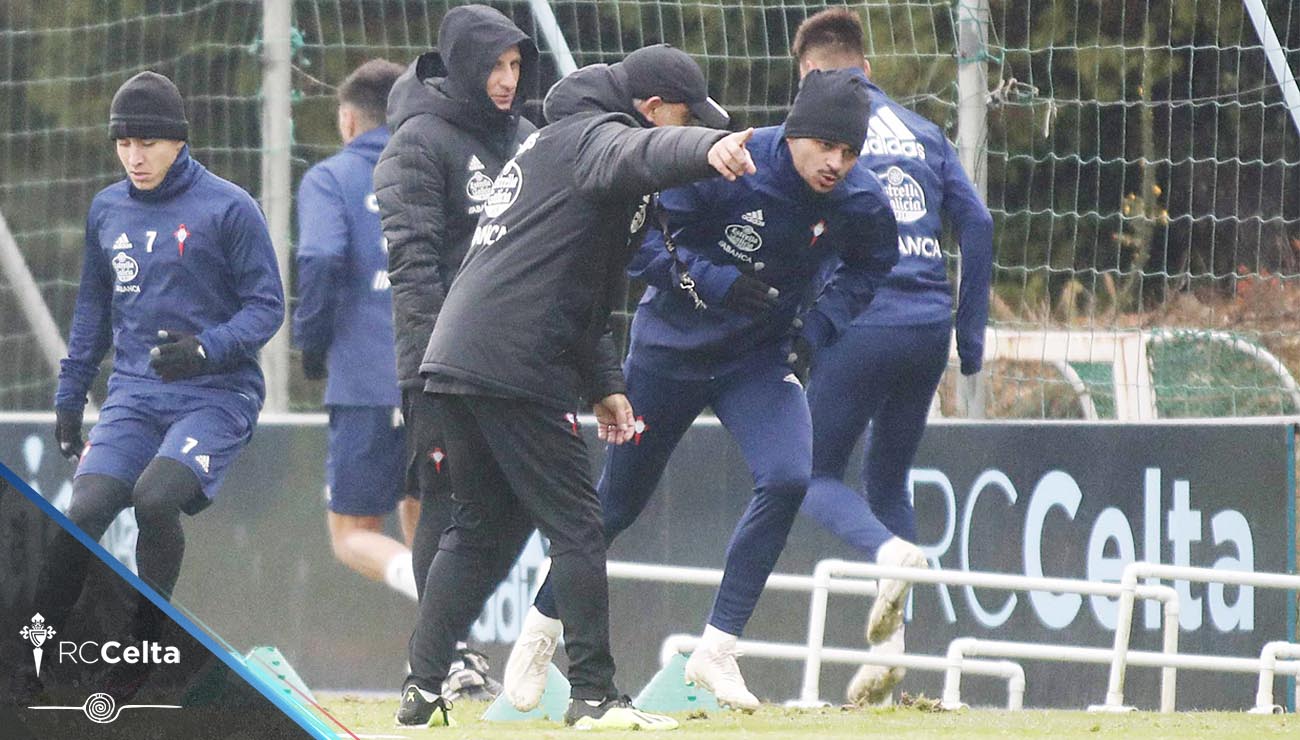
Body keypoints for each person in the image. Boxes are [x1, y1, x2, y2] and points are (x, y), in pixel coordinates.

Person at [508, 68, 899, 711]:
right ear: (795, 131)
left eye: (850, 152)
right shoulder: (729, 161)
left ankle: (716, 650)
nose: (836, 163)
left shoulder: (859, 200)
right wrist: (715, 281)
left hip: (757, 362)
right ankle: (538, 636)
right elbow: (641, 249)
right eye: (826, 145)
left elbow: (872, 265)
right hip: (669, 357)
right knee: (616, 504)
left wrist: (818, 329)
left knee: (788, 476)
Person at [397, 43, 753, 730]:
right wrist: (706, 148)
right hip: (512, 363)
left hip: (460, 357)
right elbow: (636, 156)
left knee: (474, 532)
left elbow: (574, 281)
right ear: (650, 110)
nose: (684, 127)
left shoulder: (552, 145)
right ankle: (595, 698)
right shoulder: (597, 138)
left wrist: (604, 385)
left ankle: (419, 692)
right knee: (579, 529)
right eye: (682, 117)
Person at [43, 70, 284, 693]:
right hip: (134, 395)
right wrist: (70, 396)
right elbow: (93, 312)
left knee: (154, 499)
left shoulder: (228, 207)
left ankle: (148, 648)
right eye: (123, 143)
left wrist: (207, 347)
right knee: (85, 512)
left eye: (147, 142)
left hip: (217, 395)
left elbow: (267, 306)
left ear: (178, 141)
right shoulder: (107, 208)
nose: (135, 157)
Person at [791, 8, 994, 705]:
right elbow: (979, 223)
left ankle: (887, 554)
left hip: (862, 323)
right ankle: (892, 652)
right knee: (888, 479)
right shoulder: (924, 131)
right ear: (868, 68)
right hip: (927, 329)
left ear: (810, 76)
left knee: (807, 472)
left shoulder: (821, 140)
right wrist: (970, 340)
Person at [374, 3, 539, 703]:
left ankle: (448, 648)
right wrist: (426, 374)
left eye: (514, 65)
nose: (506, 80)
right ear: (464, 66)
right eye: (494, 66)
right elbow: (413, 269)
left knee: (524, 506)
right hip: (444, 368)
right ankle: (442, 662)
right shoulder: (418, 142)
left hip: (523, 366)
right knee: (446, 502)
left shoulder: (530, 136)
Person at [292, 60, 416, 605]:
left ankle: (433, 600)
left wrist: (312, 344)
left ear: (348, 120)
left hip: (367, 379)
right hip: (439, 374)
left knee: (351, 534)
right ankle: (451, 651)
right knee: (424, 508)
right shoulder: (434, 172)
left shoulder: (331, 178)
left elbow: (320, 255)